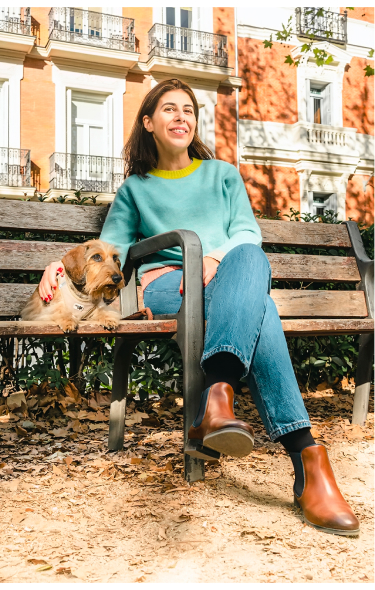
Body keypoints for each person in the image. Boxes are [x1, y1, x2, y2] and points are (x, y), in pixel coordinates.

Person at [39, 78, 359, 536]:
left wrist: (213, 258)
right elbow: (110, 250)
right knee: (260, 309)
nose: (180, 117)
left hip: (229, 276)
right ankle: (306, 456)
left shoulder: (223, 174)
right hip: (168, 286)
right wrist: (60, 264)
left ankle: (218, 400)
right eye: (168, 109)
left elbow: (247, 233)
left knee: (250, 258)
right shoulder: (136, 188)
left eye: (188, 109)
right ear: (148, 123)